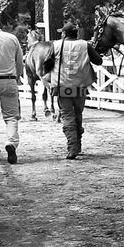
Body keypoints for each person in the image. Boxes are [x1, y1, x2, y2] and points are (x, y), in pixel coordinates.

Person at [43, 21, 103, 160]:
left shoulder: (56, 45)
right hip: (80, 86)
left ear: (64, 34)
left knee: (67, 116)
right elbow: (98, 61)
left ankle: (72, 147)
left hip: (63, 86)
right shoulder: (85, 45)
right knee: (78, 114)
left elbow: (47, 63)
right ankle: (78, 144)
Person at [0, 6, 24, 163]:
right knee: (11, 117)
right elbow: (19, 61)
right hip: (8, 80)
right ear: (1, 26)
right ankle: (11, 142)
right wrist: (17, 77)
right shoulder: (11, 38)